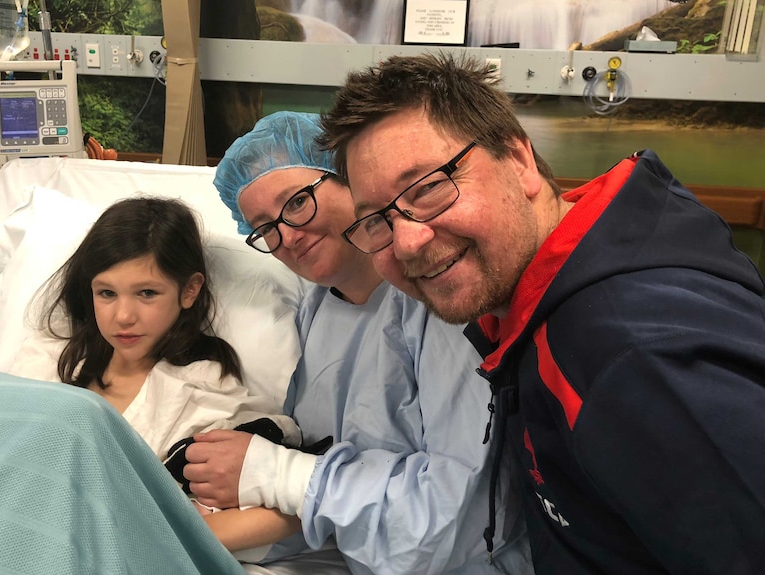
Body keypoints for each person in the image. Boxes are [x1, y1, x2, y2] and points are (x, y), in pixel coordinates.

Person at [316, 51, 765, 574]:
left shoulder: (632, 360)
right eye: (377, 220)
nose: (408, 241)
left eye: (430, 187)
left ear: (519, 161)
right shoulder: (570, 274)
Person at [182, 111, 533, 575]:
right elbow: (329, 479)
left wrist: (275, 474)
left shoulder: (441, 304)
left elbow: (457, 522)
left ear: (354, 185)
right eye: (265, 228)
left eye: (297, 202)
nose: (286, 235)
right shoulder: (316, 312)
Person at [12, 196, 303, 554]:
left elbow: (288, 510)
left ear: (189, 290)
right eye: (106, 293)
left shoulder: (203, 394)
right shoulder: (47, 359)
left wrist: (133, 536)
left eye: (146, 293)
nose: (123, 316)